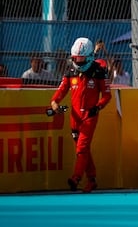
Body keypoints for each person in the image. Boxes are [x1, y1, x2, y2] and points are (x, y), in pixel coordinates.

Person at [49, 37, 112, 193]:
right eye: (75, 58)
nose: (78, 61)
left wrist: (97, 107)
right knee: (82, 149)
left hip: (90, 115)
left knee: (82, 147)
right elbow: (61, 90)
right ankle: (92, 179)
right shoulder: (70, 71)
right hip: (74, 117)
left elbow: (107, 95)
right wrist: (54, 102)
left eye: (81, 58)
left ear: (90, 56)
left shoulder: (99, 71)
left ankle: (75, 178)